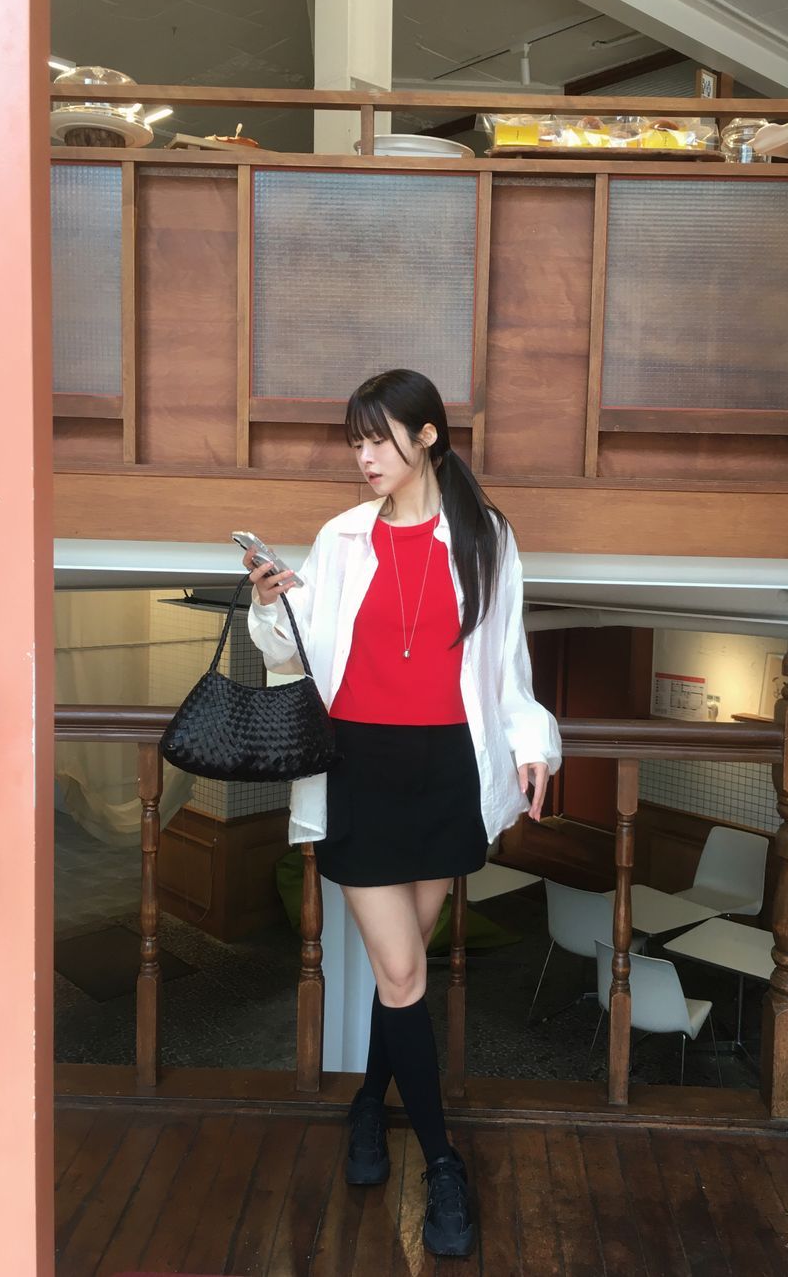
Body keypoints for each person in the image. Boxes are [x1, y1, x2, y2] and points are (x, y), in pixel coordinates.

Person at [244, 368, 561, 1258]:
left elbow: (507, 665)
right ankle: (443, 1163)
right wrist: (268, 603)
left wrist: (533, 741)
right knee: (403, 969)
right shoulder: (341, 538)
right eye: (356, 441)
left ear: (427, 436)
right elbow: (297, 649)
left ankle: (364, 1107)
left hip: (448, 772)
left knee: (403, 970)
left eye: (378, 438)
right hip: (359, 771)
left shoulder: (486, 537)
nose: (364, 456)